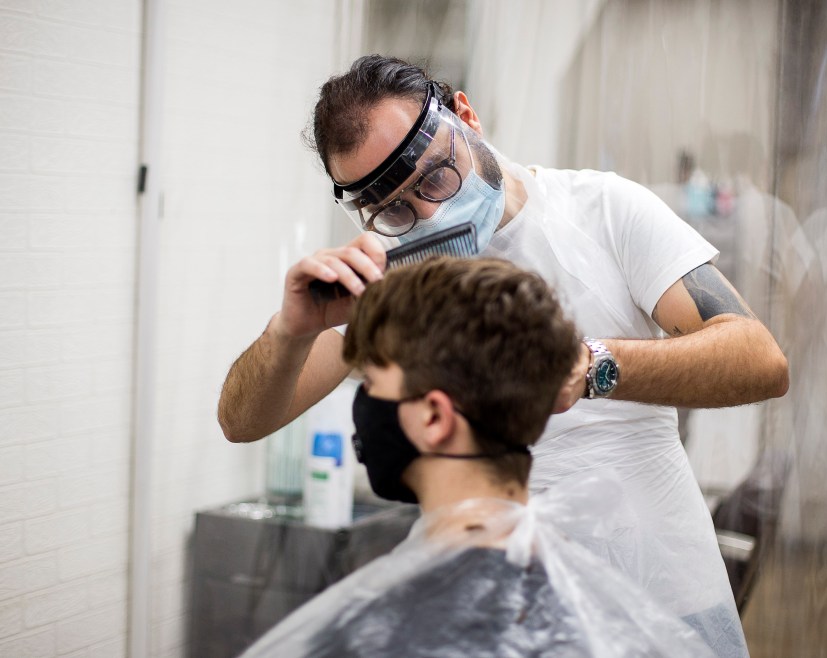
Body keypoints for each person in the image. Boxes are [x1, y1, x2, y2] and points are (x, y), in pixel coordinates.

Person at [219, 54, 788, 654]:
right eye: (395, 209)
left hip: (660, 594)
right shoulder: (400, 274)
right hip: (495, 609)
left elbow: (760, 359)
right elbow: (243, 420)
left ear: (465, 116)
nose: (430, 214)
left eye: (435, 176)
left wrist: (593, 366)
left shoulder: (604, 210)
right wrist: (292, 329)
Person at [240, 257, 713, 657]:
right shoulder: (608, 616)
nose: (365, 404)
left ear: (433, 418)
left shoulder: (380, 634)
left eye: (373, 382)